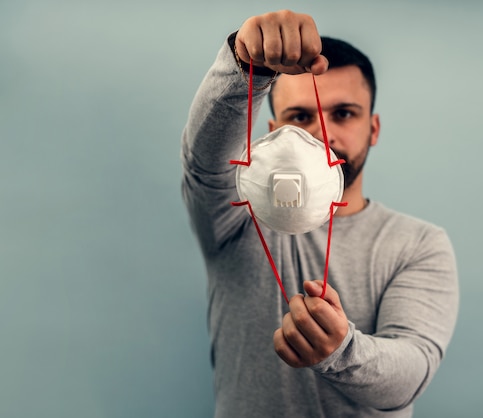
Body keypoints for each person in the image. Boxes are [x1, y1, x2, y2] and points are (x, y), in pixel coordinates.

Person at [181, 10, 459, 418]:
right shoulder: (236, 218)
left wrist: (341, 351)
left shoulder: (418, 244)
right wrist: (244, 68)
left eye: (343, 113)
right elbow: (204, 165)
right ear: (275, 130)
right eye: (300, 117)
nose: (322, 135)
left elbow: (411, 373)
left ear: (373, 128)